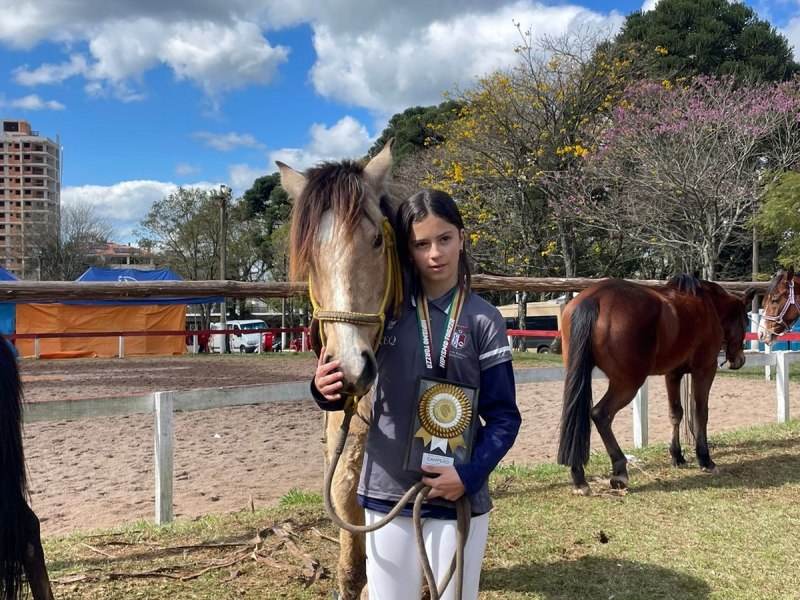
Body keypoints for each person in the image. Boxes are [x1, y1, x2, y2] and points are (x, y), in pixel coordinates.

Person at [312, 189, 521, 599]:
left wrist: (469, 475)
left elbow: (504, 417)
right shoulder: (383, 314)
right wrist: (323, 390)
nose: (435, 254)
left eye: (444, 239)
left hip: (457, 494)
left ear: (462, 238)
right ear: (407, 250)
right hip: (387, 495)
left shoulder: (484, 319)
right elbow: (346, 388)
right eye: (421, 244)